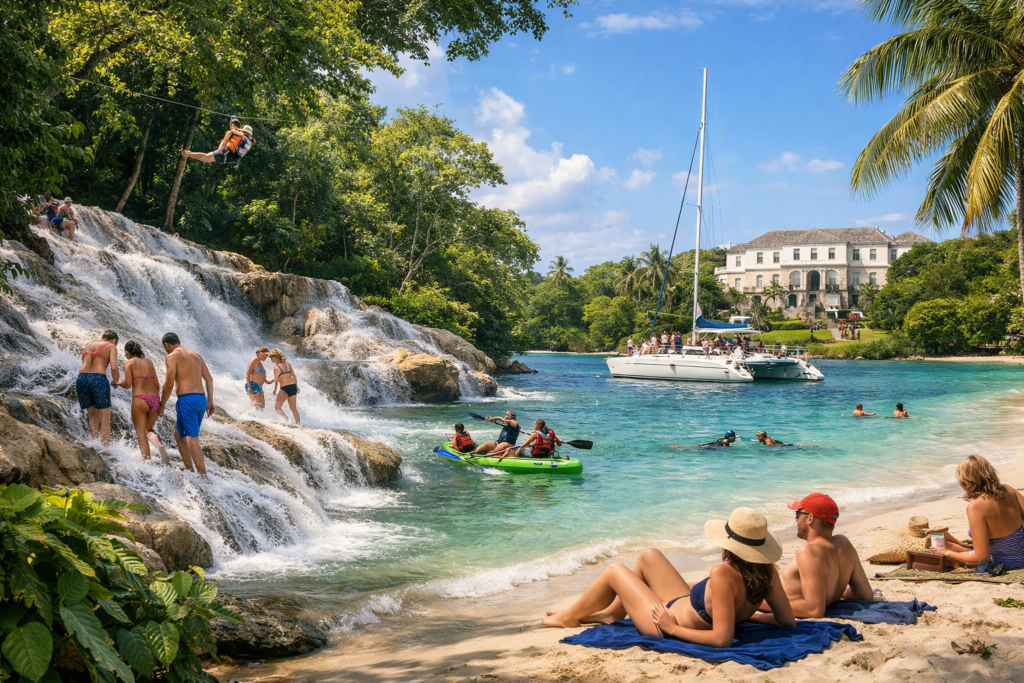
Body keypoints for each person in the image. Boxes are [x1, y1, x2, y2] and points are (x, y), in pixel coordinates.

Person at [542, 508, 795, 646]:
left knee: (615, 570)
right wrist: (746, 615)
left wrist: (671, 627)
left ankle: (568, 618)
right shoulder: (768, 573)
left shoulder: (723, 574)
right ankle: (612, 613)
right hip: (682, 605)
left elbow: (722, 640)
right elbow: (787, 621)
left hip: (662, 623)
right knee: (649, 555)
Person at [762, 494, 874, 618]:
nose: (796, 519)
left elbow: (814, 610)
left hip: (774, 599)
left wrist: (757, 604)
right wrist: (837, 590)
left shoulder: (808, 551)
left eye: (798, 514)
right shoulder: (844, 544)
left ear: (810, 518)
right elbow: (865, 595)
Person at [929, 455, 1024, 570]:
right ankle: (962, 546)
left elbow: (982, 558)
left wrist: (947, 553)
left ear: (967, 481)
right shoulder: (1009, 489)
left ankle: (955, 548)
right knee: (942, 539)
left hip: (1009, 563)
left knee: (942, 546)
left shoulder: (976, 507)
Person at [158, 333, 215, 479]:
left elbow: (169, 383)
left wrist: (162, 404)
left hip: (187, 400)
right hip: (201, 399)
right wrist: (210, 401)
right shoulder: (196, 355)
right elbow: (209, 379)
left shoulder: (172, 356)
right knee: (179, 435)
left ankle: (204, 478)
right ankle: (189, 468)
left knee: (192, 439)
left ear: (167, 345)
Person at [113, 341, 169, 463]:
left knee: (141, 434)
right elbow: (157, 384)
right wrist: (158, 402)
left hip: (140, 399)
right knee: (148, 430)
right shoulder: (149, 362)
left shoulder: (128, 363)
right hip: (155, 398)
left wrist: (118, 384)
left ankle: (146, 462)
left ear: (127, 352)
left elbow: (128, 384)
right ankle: (159, 445)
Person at [77, 330, 120, 445]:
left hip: (82, 378)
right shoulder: (111, 347)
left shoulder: (89, 344)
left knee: (92, 415)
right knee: (105, 417)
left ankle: (95, 443)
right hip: (98, 378)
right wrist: (116, 382)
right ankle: (105, 447)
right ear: (114, 341)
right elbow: (114, 368)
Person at [180, 119, 254, 166]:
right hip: (234, 160)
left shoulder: (232, 133)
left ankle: (187, 154)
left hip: (225, 154)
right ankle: (188, 153)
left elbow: (223, 144)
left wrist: (219, 151)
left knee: (206, 157)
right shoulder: (248, 141)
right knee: (206, 158)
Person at [268, 349, 300, 424]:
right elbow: (293, 375)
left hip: (284, 388)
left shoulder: (276, 367)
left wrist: (275, 390)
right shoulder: (288, 364)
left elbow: (276, 380)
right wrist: (297, 386)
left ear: (276, 357)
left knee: (277, 407)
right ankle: (298, 425)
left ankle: (287, 420)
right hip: (293, 386)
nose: (271, 359)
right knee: (294, 408)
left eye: (271, 357)